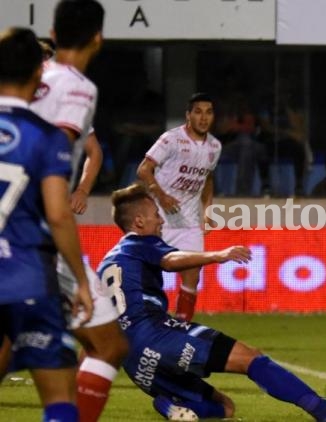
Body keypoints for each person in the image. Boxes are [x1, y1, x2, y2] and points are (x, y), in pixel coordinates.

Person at [98, 183, 326, 421]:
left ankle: (169, 405)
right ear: (138, 222)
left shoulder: (108, 261)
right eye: (156, 215)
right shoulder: (139, 243)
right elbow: (170, 261)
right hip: (156, 334)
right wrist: (218, 255)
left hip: (132, 359)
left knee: (225, 407)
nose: (160, 221)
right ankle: (323, 410)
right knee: (252, 359)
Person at [28, 2, 129, 421]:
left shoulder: (31, 82)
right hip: (35, 231)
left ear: (52, 31)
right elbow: (52, 151)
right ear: (98, 38)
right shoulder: (76, 87)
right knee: (109, 346)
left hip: (17, 228)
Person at [0, 27, 93, 421]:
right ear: (40, 76)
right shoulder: (47, 137)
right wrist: (81, 281)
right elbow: (58, 214)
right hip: (27, 280)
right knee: (59, 399)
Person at [136, 93, 221, 322]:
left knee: (193, 274)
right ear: (188, 115)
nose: (203, 118)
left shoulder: (215, 146)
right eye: (198, 112)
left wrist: (208, 210)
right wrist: (161, 195)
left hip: (189, 221)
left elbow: (208, 179)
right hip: (159, 218)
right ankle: (139, 322)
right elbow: (144, 170)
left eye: (208, 112)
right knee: (146, 275)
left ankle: (181, 327)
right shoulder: (171, 139)